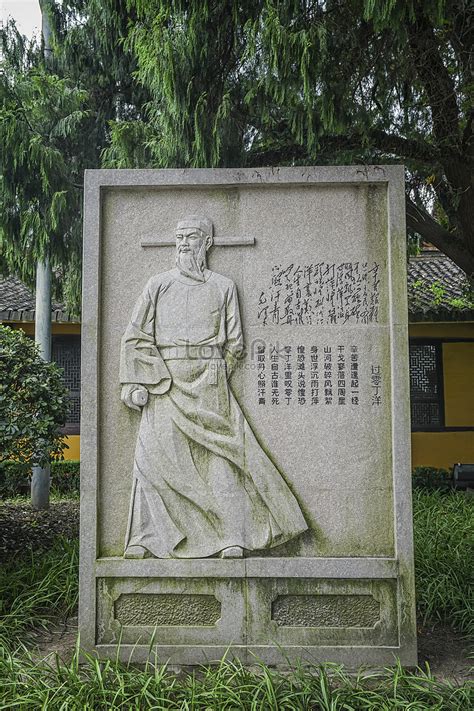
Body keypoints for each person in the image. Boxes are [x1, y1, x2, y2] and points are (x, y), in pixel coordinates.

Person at [120, 215, 307, 558]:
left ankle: (231, 535)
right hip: (165, 381)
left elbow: (235, 343)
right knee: (152, 457)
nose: (183, 243)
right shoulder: (157, 284)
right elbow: (135, 336)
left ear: (207, 243)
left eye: (191, 237)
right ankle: (146, 537)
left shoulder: (223, 286)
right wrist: (137, 381)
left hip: (211, 381)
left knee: (224, 458)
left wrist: (215, 374)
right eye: (179, 237)